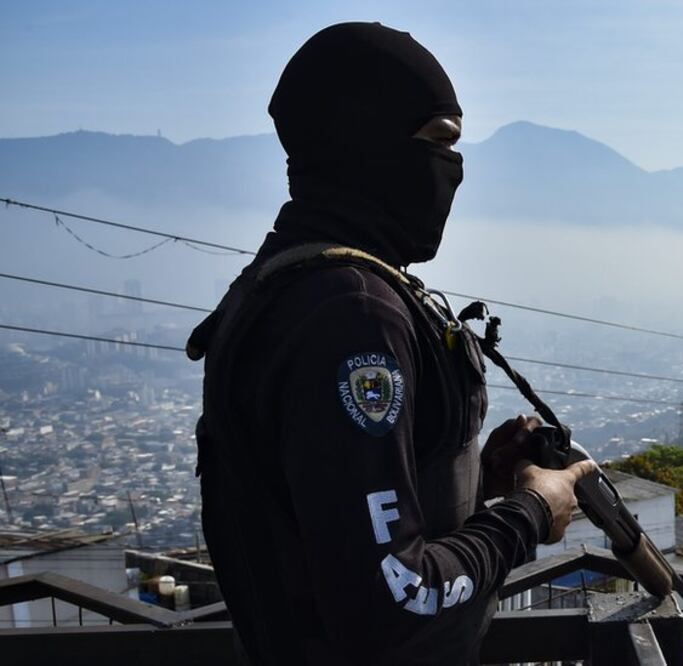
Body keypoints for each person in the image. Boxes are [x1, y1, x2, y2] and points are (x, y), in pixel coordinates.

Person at [186, 22, 595, 665]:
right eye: (438, 141)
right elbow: (394, 601)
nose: (453, 171)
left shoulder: (288, 283)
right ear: (367, 143)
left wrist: (474, 482)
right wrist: (530, 513)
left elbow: (334, 523)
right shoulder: (350, 314)